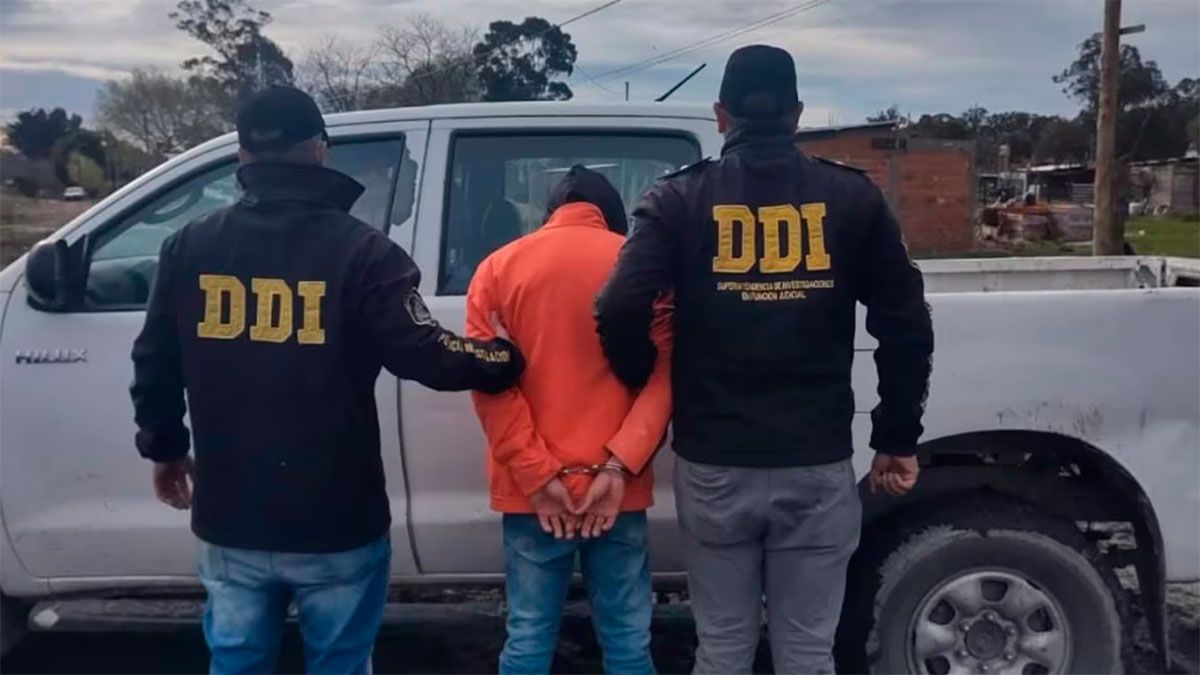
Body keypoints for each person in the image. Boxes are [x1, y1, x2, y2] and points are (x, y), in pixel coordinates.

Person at [130, 85, 524, 675]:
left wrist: (164, 450)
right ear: (320, 150)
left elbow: (155, 362)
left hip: (231, 516)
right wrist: (504, 358)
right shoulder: (364, 252)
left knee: (235, 660)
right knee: (340, 662)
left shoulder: (190, 246)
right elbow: (428, 355)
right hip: (337, 520)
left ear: (242, 156)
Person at [596, 45, 934, 675]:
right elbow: (906, 322)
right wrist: (896, 437)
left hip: (714, 461)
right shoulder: (851, 198)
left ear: (721, 115)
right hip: (816, 460)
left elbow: (618, 305)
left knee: (723, 648)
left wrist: (641, 373)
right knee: (806, 653)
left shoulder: (677, 199)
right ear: (797, 114)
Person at [466, 166, 672, 675]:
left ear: (550, 212)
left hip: (534, 496)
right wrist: (618, 466)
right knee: (628, 641)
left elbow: (490, 383)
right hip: (617, 491)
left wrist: (537, 475)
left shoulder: (497, 268)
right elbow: (664, 379)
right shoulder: (643, 269)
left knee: (529, 635)